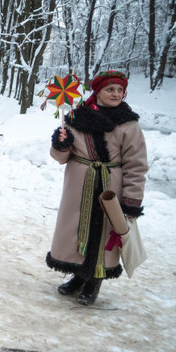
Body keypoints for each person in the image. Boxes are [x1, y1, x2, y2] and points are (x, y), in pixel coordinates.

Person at [47, 70, 148, 306]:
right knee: (77, 230)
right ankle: (79, 275)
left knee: (103, 234)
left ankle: (95, 279)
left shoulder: (129, 124)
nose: (115, 94)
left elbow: (137, 165)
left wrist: (132, 201)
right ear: (98, 91)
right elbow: (61, 158)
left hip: (109, 189)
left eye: (119, 90)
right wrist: (60, 144)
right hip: (79, 187)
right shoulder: (75, 117)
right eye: (109, 89)